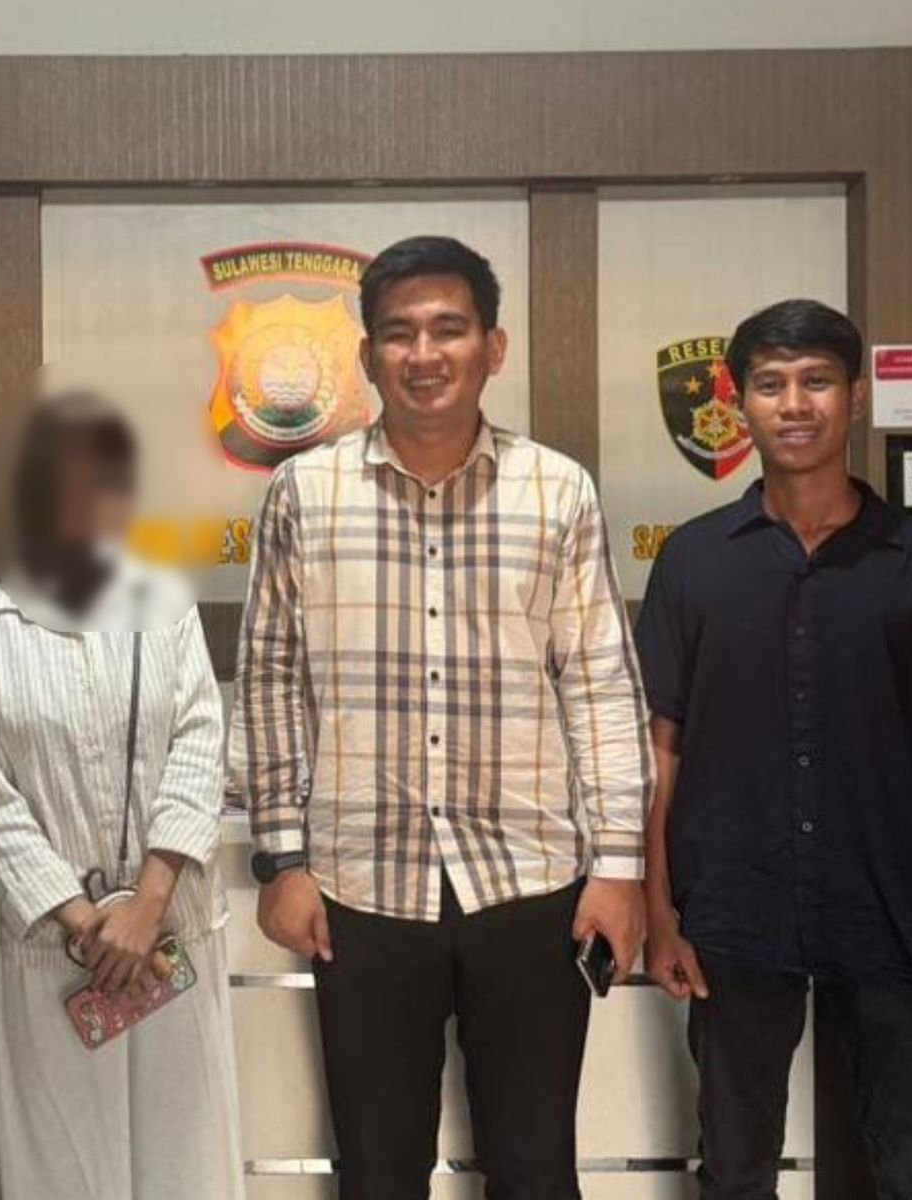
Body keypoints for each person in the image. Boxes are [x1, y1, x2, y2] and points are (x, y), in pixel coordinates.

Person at [235, 235, 651, 1200]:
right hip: (360, 886)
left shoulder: (557, 490)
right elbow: (269, 680)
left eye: (449, 329)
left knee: (535, 1168)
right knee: (378, 1170)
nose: (424, 353)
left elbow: (600, 683)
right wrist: (283, 858)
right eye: (399, 333)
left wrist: (620, 867)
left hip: (531, 881)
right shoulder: (305, 492)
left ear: (493, 348)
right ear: (368, 354)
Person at [636, 299, 912, 1200]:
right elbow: (663, 751)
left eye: (816, 381)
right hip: (733, 912)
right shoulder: (694, 563)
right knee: (735, 1168)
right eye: (770, 384)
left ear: (855, 397)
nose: (794, 404)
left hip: (889, 911)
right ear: (740, 403)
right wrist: (659, 908)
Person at [0, 394, 244, 1200]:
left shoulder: (167, 609)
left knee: (187, 1169)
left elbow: (198, 748)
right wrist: (89, 926)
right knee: (63, 1173)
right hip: (53, 951)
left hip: (171, 939)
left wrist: (145, 909)